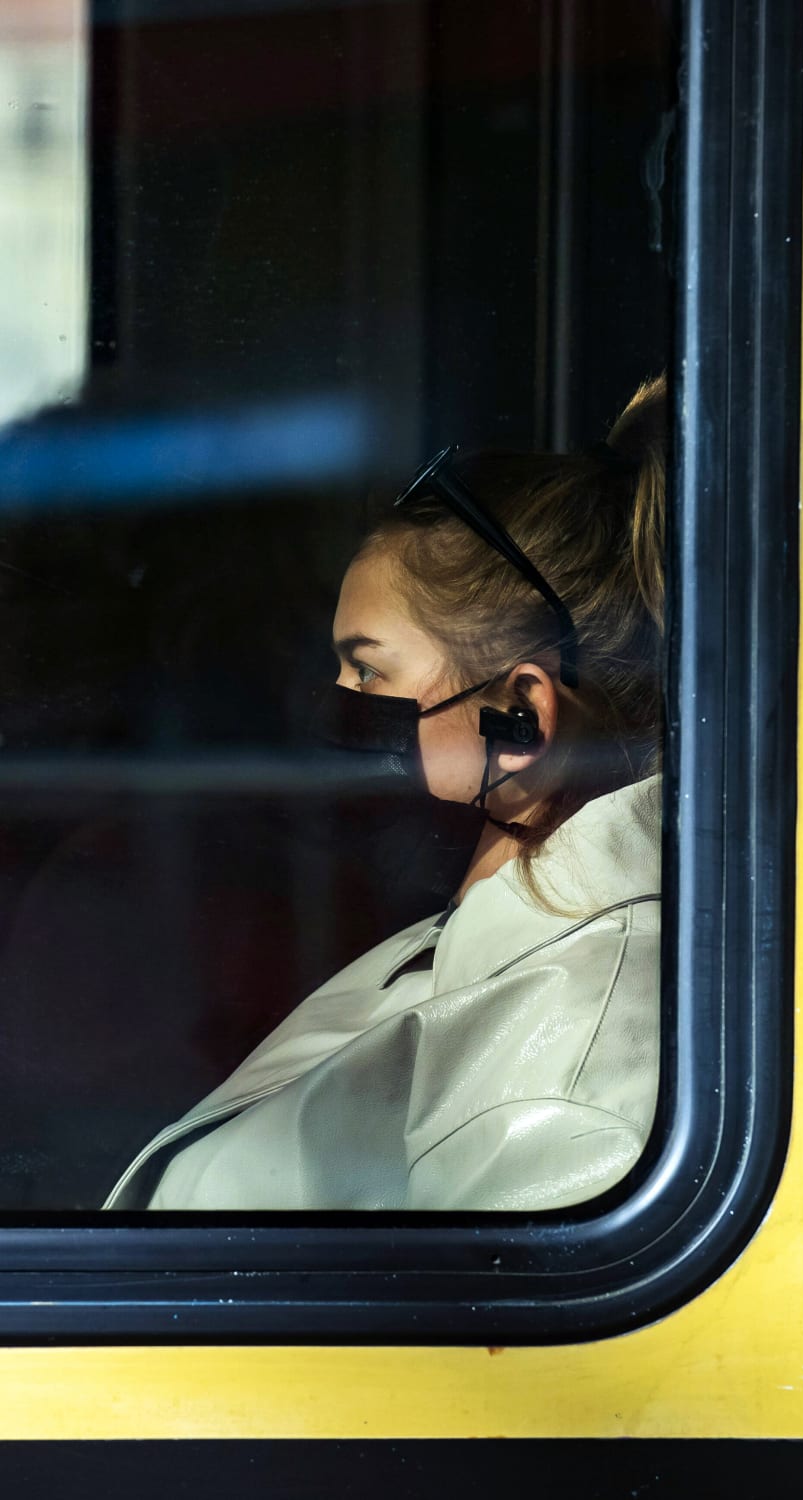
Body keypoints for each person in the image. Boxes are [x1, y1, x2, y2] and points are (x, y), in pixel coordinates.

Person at [104, 377, 667, 1211]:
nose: (334, 697)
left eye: (368, 668)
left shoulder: (574, 1058)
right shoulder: (487, 935)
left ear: (518, 717)